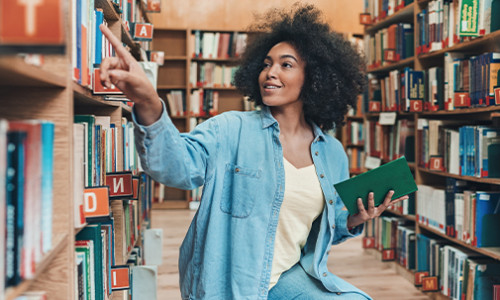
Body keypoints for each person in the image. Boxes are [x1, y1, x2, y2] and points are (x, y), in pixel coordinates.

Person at [99, 4, 408, 299]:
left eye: (286, 64)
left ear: (315, 78)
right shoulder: (229, 129)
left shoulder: (333, 153)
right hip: (230, 285)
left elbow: (330, 225)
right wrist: (149, 102)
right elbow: (174, 167)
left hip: (290, 276)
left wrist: (353, 219)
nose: (270, 73)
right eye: (266, 64)